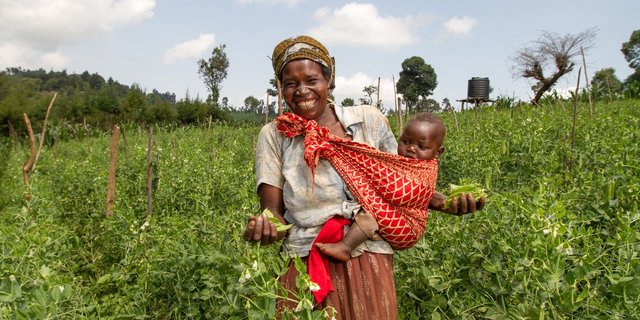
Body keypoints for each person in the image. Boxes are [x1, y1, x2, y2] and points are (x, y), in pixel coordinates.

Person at [243, 35, 484, 319]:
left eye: (311, 80)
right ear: (281, 88)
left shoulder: (368, 119)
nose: (302, 91)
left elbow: (401, 183)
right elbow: (273, 211)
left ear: (328, 79)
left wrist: (445, 202)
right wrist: (264, 227)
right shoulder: (274, 134)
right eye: (291, 84)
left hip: (368, 255)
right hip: (306, 258)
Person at [315, 112, 446, 262]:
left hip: (407, 228)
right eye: (406, 142)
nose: (411, 149)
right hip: (399, 221)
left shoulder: (425, 170)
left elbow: (403, 191)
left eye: (421, 146)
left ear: (438, 152)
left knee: (372, 210)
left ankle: (345, 247)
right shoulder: (400, 162)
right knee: (372, 205)